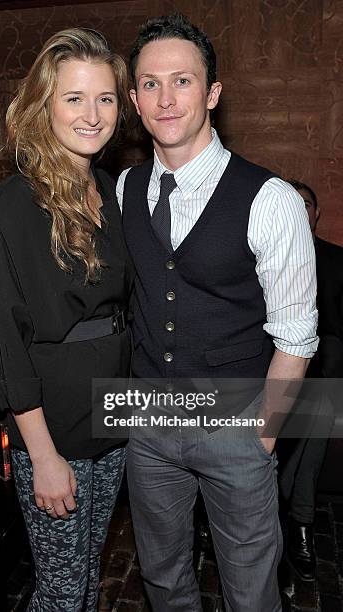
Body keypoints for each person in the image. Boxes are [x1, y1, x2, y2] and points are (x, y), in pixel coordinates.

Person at [116, 13, 318, 612]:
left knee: (251, 592)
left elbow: (297, 336)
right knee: (161, 578)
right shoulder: (123, 188)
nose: (166, 97)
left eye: (182, 81)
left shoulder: (271, 200)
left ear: (213, 93)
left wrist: (262, 437)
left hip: (237, 428)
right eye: (150, 84)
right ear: (134, 99)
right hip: (148, 425)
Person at [0, 28, 133, 611]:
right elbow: (2, 342)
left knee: (86, 577)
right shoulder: (14, 205)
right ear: (45, 105)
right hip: (53, 429)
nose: (92, 115)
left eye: (105, 98)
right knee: (63, 593)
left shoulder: (112, 194)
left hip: (110, 419)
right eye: (74, 98)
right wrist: (41, 456)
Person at [279, 181, 340, 581]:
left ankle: (294, 520)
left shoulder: (337, 261)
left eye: (306, 205)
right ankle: (296, 522)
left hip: (325, 369)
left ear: (316, 215)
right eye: (292, 205)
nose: (299, 211)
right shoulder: (270, 256)